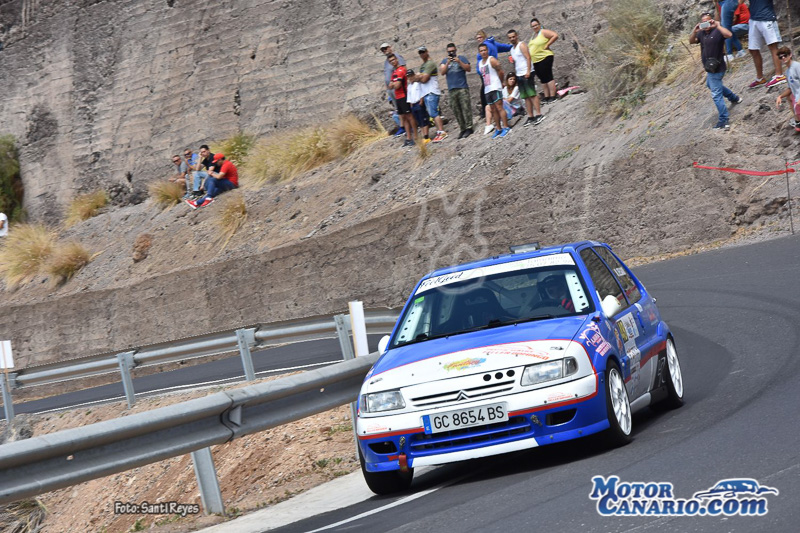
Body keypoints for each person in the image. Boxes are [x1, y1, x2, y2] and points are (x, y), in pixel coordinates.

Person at [690, 12, 742, 130]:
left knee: (716, 95)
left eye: (708, 21)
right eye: (703, 22)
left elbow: (729, 35)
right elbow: (691, 41)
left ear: (712, 21)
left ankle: (724, 121)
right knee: (710, 84)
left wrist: (718, 25)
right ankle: (734, 98)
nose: (706, 24)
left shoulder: (718, 31)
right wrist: (694, 31)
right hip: (709, 68)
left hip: (718, 68)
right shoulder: (701, 33)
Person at [475, 30, 512, 134]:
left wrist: (500, 82)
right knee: (493, 109)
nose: (483, 52)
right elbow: (503, 47)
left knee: (499, 107)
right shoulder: (480, 62)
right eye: (481, 51)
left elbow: (501, 71)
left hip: (495, 85)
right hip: (487, 88)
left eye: (484, 50)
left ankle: (505, 127)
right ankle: (498, 128)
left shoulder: (491, 59)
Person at [507, 29, 545, 126]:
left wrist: (528, 70)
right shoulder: (512, 49)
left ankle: (539, 114)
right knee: (526, 97)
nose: (512, 39)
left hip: (526, 72)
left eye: (513, 36)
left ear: (516, 36)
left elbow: (528, 57)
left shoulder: (522, 45)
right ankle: (531, 116)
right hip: (519, 74)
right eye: (510, 37)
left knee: (532, 94)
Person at [746, 0, 785, 89]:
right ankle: (760, 78)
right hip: (754, 18)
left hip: (767, 17)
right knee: (753, 49)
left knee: (772, 46)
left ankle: (779, 75)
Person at [439, 43, 474, 138]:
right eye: (449, 52)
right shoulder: (444, 61)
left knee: (465, 108)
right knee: (456, 110)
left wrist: (459, 62)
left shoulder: (461, 58)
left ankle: (469, 127)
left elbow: (468, 69)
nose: (451, 53)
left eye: (453, 51)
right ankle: (462, 128)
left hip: (462, 87)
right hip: (452, 89)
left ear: (456, 50)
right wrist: (447, 63)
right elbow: (442, 72)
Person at [417, 47, 447, 142]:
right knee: (432, 114)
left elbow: (424, 79)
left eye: (423, 52)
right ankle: (439, 132)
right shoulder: (424, 65)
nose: (422, 54)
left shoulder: (430, 64)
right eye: (420, 52)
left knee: (434, 113)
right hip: (427, 92)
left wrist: (418, 77)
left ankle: (442, 132)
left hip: (431, 92)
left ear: (427, 52)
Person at [387, 53, 418, 147]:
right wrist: (393, 84)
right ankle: (408, 138)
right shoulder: (394, 72)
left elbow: (397, 85)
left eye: (393, 60)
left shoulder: (401, 70)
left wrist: (393, 84)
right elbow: (389, 86)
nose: (393, 62)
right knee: (403, 118)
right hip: (398, 97)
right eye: (390, 61)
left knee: (409, 116)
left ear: (396, 59)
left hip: (404, 96)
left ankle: (416, 136)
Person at [528, 18, 559, 103]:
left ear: (539, 24)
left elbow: (555, 35)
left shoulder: (543, 32)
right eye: (533, 26)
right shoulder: (533, 35)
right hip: (536, 60)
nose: (535, 27)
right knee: (542, 78)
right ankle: (546, 96)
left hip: (545, 57)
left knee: (548, 76)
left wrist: (547, 44)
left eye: (536, 25)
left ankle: (553, 96)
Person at [381, 43, 406, 136]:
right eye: (383, 50)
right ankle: (402, 127)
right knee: (398, 108)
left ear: (390, 47)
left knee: (403, 107)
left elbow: (403, 69)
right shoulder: (386, 61)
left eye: (385, 48)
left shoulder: (397, 57)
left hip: (398, 87)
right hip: (391, 88)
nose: (385, 51)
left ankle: (408, 126)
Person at [775, 47, 800, 132]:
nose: (783, 58)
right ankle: (797, 121)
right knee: (789, 97)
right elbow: (790, 88)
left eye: (785, 55)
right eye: (780, 57)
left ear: (790, 55)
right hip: (797, 98)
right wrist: (780, 96)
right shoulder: (788, 71)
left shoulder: (797, 66)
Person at [406, 69, 430, 141]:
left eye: (411, 76)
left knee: (423, 119)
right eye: (409, 77)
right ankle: (423, 135)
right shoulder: (409, 86)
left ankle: (426, 136)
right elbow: (409, 96)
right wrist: (411, 104)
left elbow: (422, 91)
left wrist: (421, 101)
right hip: (413, 104)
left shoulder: (418, 83)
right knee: (419, 121)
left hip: (418, 103)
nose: (410, 78)